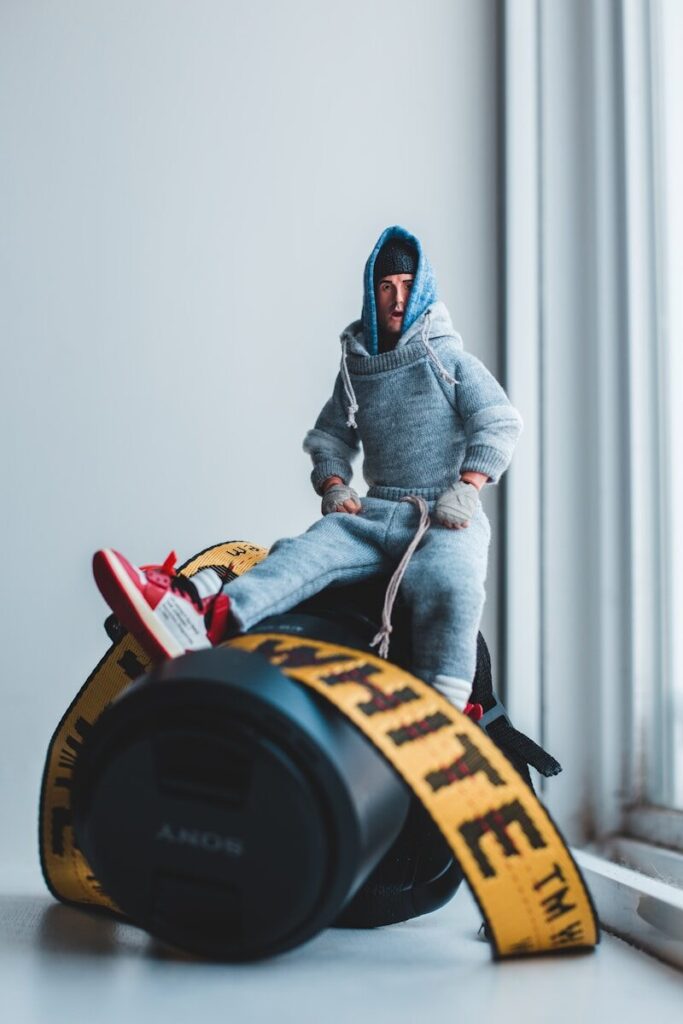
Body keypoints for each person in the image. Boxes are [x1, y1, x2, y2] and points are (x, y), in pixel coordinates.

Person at [93, 225, 522, 712]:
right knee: (299, 555)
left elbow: (499, 420)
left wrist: (468, 485)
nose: (398, 299)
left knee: (453, 585)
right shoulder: (356, 366)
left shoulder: (450, 361)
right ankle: (206, 615)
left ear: (422, 290)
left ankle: (446, 706)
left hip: (444, 514)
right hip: (377, 509)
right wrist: (334, 484)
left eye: (407, 285)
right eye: (387, 287)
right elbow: (330, 436)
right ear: (372, 294)